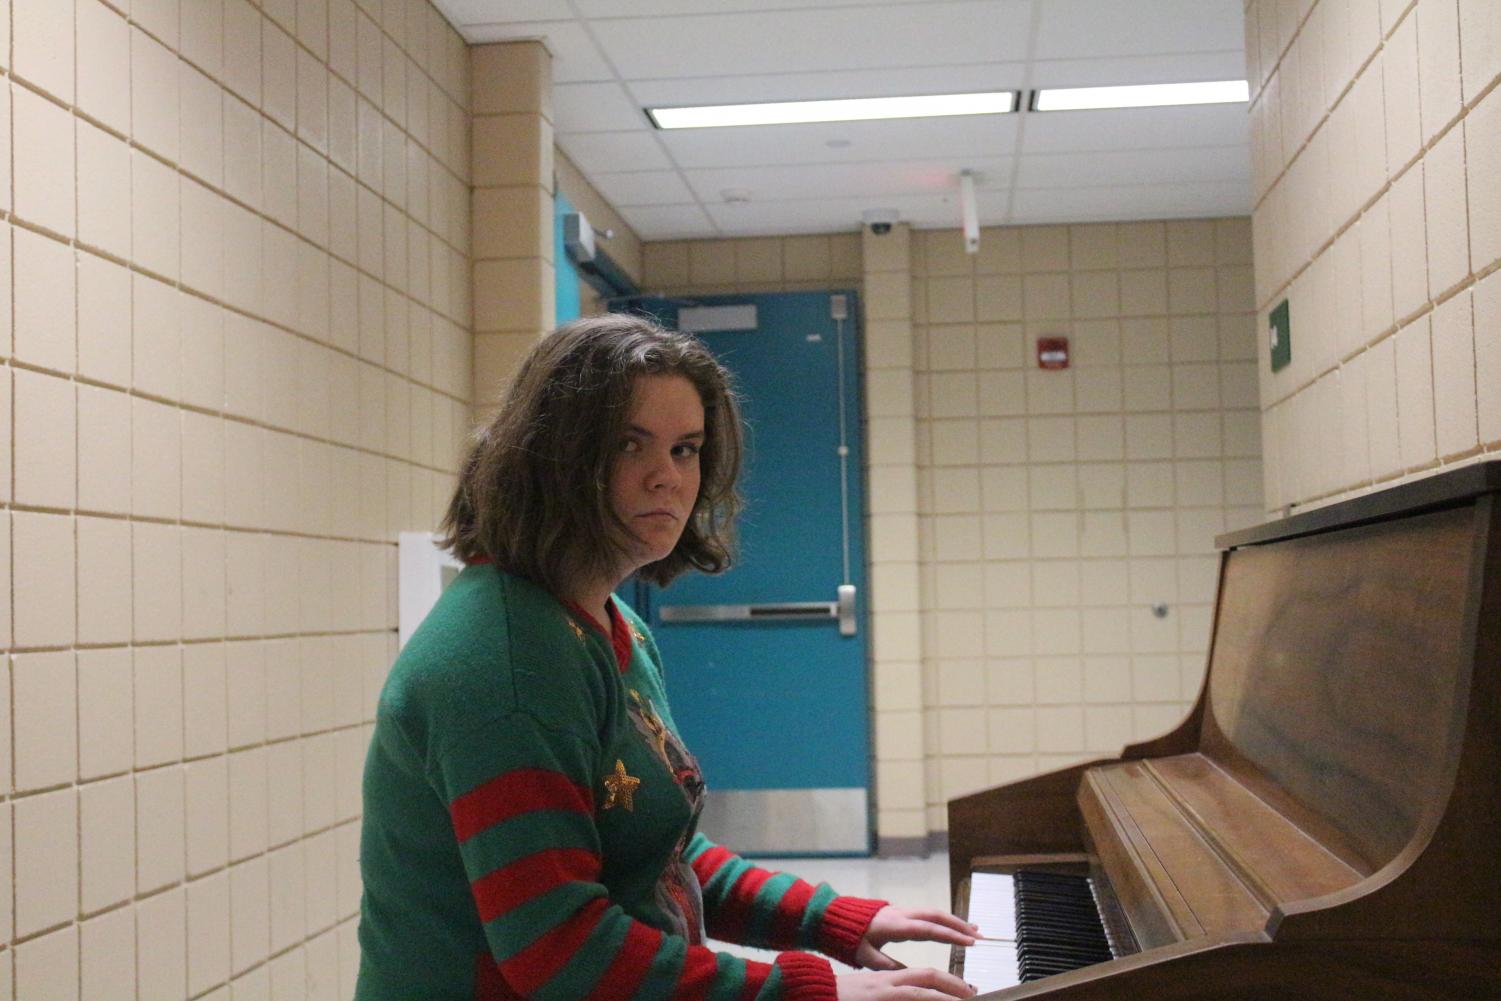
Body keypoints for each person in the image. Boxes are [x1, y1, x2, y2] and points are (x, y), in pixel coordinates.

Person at [356, 315, 979, 1000]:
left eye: (685, 449)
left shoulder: (606, 622)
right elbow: (560, 953)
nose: (666, 479)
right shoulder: (505, 662)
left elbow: (654, 851)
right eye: (630, 445)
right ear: (553, 457)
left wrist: (828, 917)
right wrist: (812, 992)